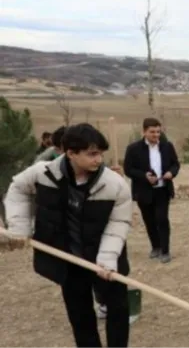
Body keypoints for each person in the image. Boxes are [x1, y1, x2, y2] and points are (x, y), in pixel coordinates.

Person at [4, 123, 132, 348]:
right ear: (70, 153)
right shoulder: (42, 173)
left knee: (118, 309)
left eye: (101, 153)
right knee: (80, 315)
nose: (99, 159)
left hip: (106, 255)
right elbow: (17, 189)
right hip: (67, 257)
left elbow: (118, 222)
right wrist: (20, 227)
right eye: (92, 154)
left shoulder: (114, 185)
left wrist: (108, 259)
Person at [123, 118, 180, 263]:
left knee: (162, 219)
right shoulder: (133, 149)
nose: (156, 135)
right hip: (144, 191)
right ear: (144, 132)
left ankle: (165, 250)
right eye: (152, 132)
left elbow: (175, 164)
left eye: (158, 132)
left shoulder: (167, 146)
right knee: (149, 220)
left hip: (163, 189)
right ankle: (156, 246)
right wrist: (144, 176)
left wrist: (171, 173)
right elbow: (128, 169)